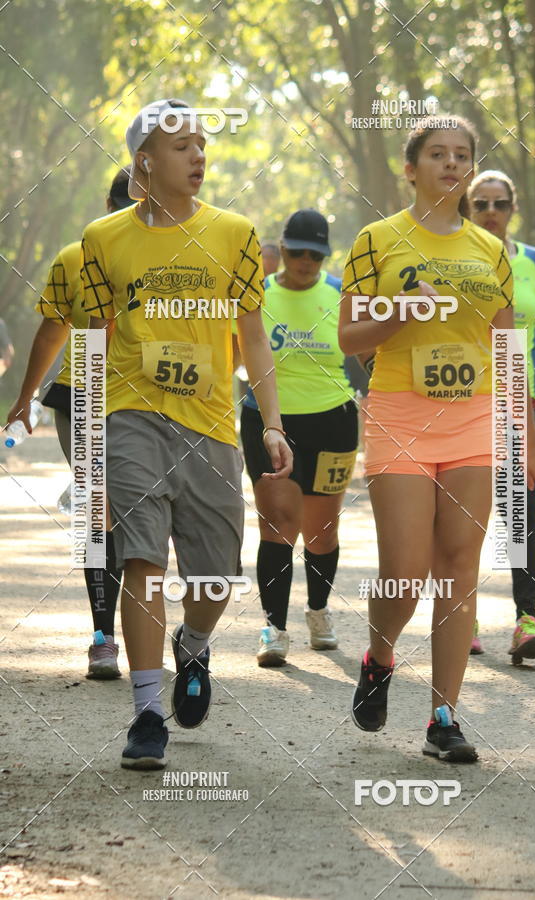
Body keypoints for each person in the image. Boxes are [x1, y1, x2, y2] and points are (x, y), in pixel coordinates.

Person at [82, 98, 291, 769]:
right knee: (141, 557)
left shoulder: (234, 234)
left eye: (202, 143)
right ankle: (147, 714)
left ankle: (194, 644)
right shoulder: (104, 239)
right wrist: (90, 439)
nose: (198, 155)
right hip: (131, 413)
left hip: (209, 422)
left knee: (215, 575)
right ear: (144, 159)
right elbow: (92, 343)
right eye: (181, 146)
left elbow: (253, 337)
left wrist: (274, 423)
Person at [339, 116, 535, 761]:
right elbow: (349, 338)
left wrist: (530, 441)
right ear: (411, 167)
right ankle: (379, 654)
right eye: (438, 155)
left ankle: (443, 719)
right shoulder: (377, 241)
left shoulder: (492, 252)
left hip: (474, 421)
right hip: (401, 416)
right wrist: (400, 311)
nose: (452, 165)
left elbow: (509, 351)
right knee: (405, 573)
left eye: (462, 155)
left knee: (460, 567)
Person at [5, 168, 135, 679]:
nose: (130, 216)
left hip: (153, 400)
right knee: (95, 509)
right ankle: (104, 635)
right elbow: (52, 330)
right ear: (107, 203)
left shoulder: (179, 256)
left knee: (142, 514)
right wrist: (23, 399)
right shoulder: (75, 258)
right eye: (122, 205)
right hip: (82, 392)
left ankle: (152, 622)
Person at [240, 209, 358, 666]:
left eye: (316, 254)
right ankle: (274, 627)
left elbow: (366, 355)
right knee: (278, 523)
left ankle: (318, 611)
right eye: (298, 252)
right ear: (282, 249)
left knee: (321, 532)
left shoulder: (340, 295)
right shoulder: (257, 295)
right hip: (269, 421)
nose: (307, 261)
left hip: (333, 421)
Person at [468, 170, 535, 663]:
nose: (490, 212)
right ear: (467, 208)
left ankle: (526, 620)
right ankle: (464, 615)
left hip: (523, 399)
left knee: (519, 514)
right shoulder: (454, 258)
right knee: (467, 514)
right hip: (466, 398)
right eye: (479, 203)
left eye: (499, 203)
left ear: (512, 208)